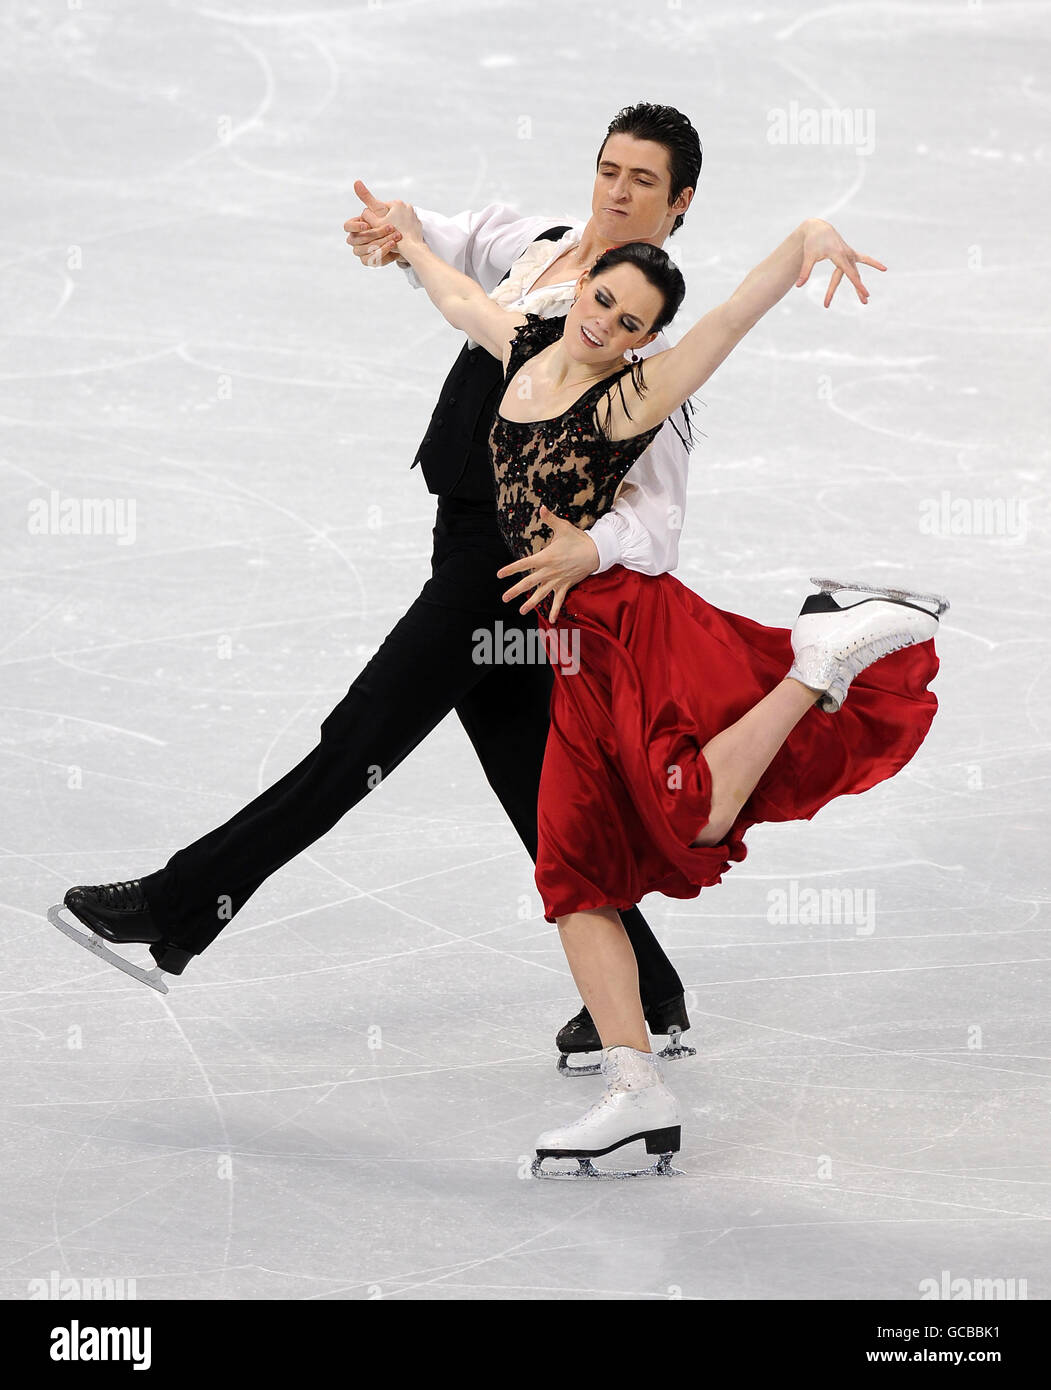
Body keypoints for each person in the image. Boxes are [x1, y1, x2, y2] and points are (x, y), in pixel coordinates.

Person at [55, 105, 703, 1065]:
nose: (615, 192)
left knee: (355, 739)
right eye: (609, 169)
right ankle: (649, 993)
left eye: (642, 181)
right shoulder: (548, 251)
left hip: (506, 570)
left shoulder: (648, 355)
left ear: (679, 202)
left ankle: (181, 904)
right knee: (535, 788)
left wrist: (590, 552)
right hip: (464, 544)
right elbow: (468, 240)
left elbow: (658, 516)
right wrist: (401, 228)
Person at [369, 205, 945, 1177]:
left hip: (627, 626)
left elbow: (722, 322)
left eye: (630, 323)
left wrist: (799, 240)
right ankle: (636, 1091)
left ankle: (815, 663)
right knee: (572, 870)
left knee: (686, 815)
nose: (605, 325)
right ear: (583, 285)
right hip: (571, 651)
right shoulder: (530, 341)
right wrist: (408, 244)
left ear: (643, 340)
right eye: (602, 300)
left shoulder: (625, 402)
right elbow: (463, 298)